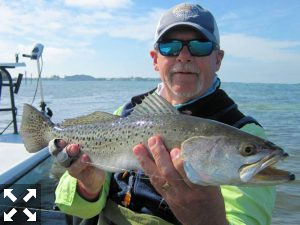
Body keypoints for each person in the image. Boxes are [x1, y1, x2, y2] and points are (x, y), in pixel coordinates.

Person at [52, 3, 275, 225]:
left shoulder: (242, 131)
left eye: (199, 46)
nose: (184, 56)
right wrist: (88, 187)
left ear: (217, 59)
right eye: (170, 46)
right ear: (155, 59)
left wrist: (208, 220)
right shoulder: (126, 113)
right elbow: (75, 208)